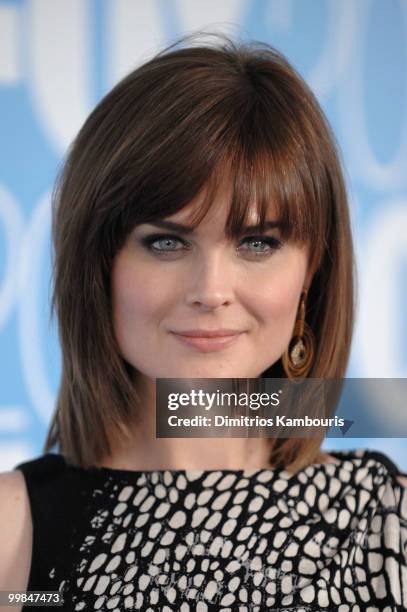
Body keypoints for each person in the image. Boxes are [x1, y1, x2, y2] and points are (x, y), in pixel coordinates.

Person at [0, 34, 406, 612]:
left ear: (312, 270)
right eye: (166, 241)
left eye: (258, 242)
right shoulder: (13, 542)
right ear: (99, 264)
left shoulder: (390, 524)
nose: (210, 291)